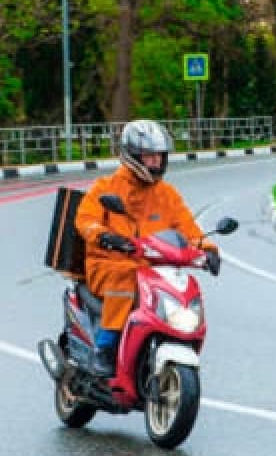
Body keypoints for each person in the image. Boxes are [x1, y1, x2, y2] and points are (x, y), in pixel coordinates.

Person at [75, 119, 220, 377]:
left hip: (153, 267)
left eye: (159, 156)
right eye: (149, 156)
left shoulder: (167, 194)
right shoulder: (105, 188)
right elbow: (85, 220)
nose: (156, 162)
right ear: (132, 156)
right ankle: (105, 347)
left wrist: (207, 250)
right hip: (108, 264)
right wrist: (105, 237)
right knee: (126, 280)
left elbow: (187, 227)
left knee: (184, 286)